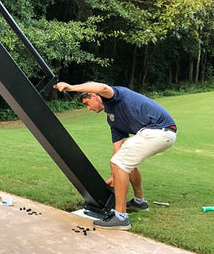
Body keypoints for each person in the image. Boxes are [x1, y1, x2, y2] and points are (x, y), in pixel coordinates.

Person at [53, 80, 177, 230]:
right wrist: (114, 176)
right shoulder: (112, 119)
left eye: (87, 103)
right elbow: (118, 148)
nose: (88, 108)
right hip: (160, 133)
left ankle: (121, 217)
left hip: (158, 130)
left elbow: (102, 87)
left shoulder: (113, 96)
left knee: (121, 163)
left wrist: (72, 87)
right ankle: (139, 202)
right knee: (125, 163)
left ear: (94, 96)